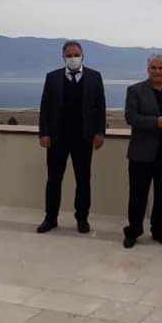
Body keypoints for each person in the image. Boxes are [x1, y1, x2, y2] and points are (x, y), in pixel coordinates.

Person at [37, 40, 106, 234]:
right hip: (57, 138)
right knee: (53, 179)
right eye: (69, 55)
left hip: (84, 138)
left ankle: (82, 218)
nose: (73, 58)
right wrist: (44, 133)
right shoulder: (52, 78)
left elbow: (100, 106)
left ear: (83, 56)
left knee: (83, 180)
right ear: (63, 57)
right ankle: (50, 218)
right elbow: (45, 107)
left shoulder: (94, 77)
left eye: (76, 55)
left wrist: (100, 132)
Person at [122, 54, 162, 248]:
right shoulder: (135, 90)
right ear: (148, 69)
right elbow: (130, 117)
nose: (157, 71)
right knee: (138, 195)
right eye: (153, 68)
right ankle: (133, 231)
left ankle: (158, 229)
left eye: (161, 68)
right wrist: (155, 122)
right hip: (141, 152)